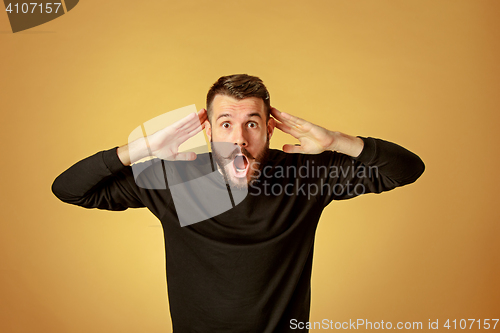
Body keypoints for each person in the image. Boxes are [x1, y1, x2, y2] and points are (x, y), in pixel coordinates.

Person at [52, 74, 425, 332]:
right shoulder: (173, 178)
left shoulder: (308, 174)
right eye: (226, 123)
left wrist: (337, 141)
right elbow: (70, 189)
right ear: (209, 130)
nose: (240, 138)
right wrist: (142, 149)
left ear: (269, 128)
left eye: (252, 123)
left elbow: (406, 169)